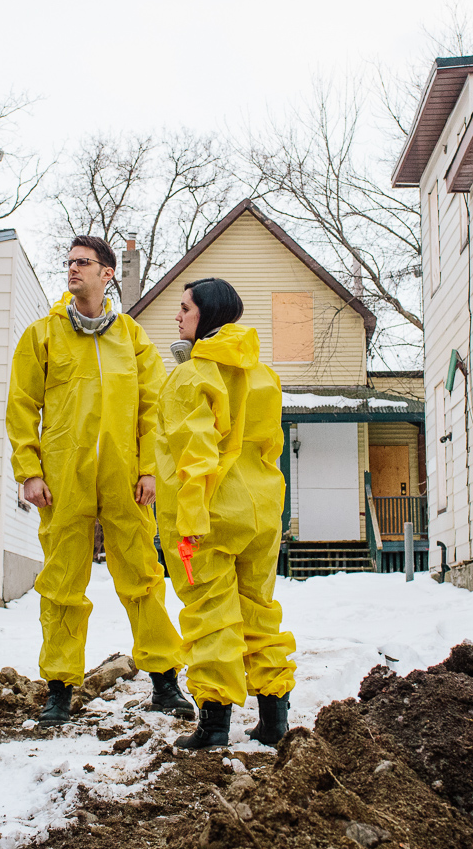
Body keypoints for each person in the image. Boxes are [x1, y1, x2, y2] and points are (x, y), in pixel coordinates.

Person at [6, 236, 194, 727]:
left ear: (107, 273)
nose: (72, 270)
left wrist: (149, 468)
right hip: (63, 478)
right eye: (68, 262)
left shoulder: (131, 338)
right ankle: (59, 690)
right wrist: (28, 470)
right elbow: (22, 406)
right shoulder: (42, 336)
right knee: (62, 582)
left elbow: (153, 409)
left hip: (125, 479)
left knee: (142, 577)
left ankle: (164, 681)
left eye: (83, 263)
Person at [155, 277, 296, 749]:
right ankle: (274, 720)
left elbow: (194, 458)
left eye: (185, 309)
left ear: (208, 317)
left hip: (211, 513)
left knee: (212, 614)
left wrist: (188, 526)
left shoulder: (191, 375)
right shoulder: (264, 374)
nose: (178, 317)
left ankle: (214, 727)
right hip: (260, 510)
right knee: (259, 609)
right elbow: (272, 445)